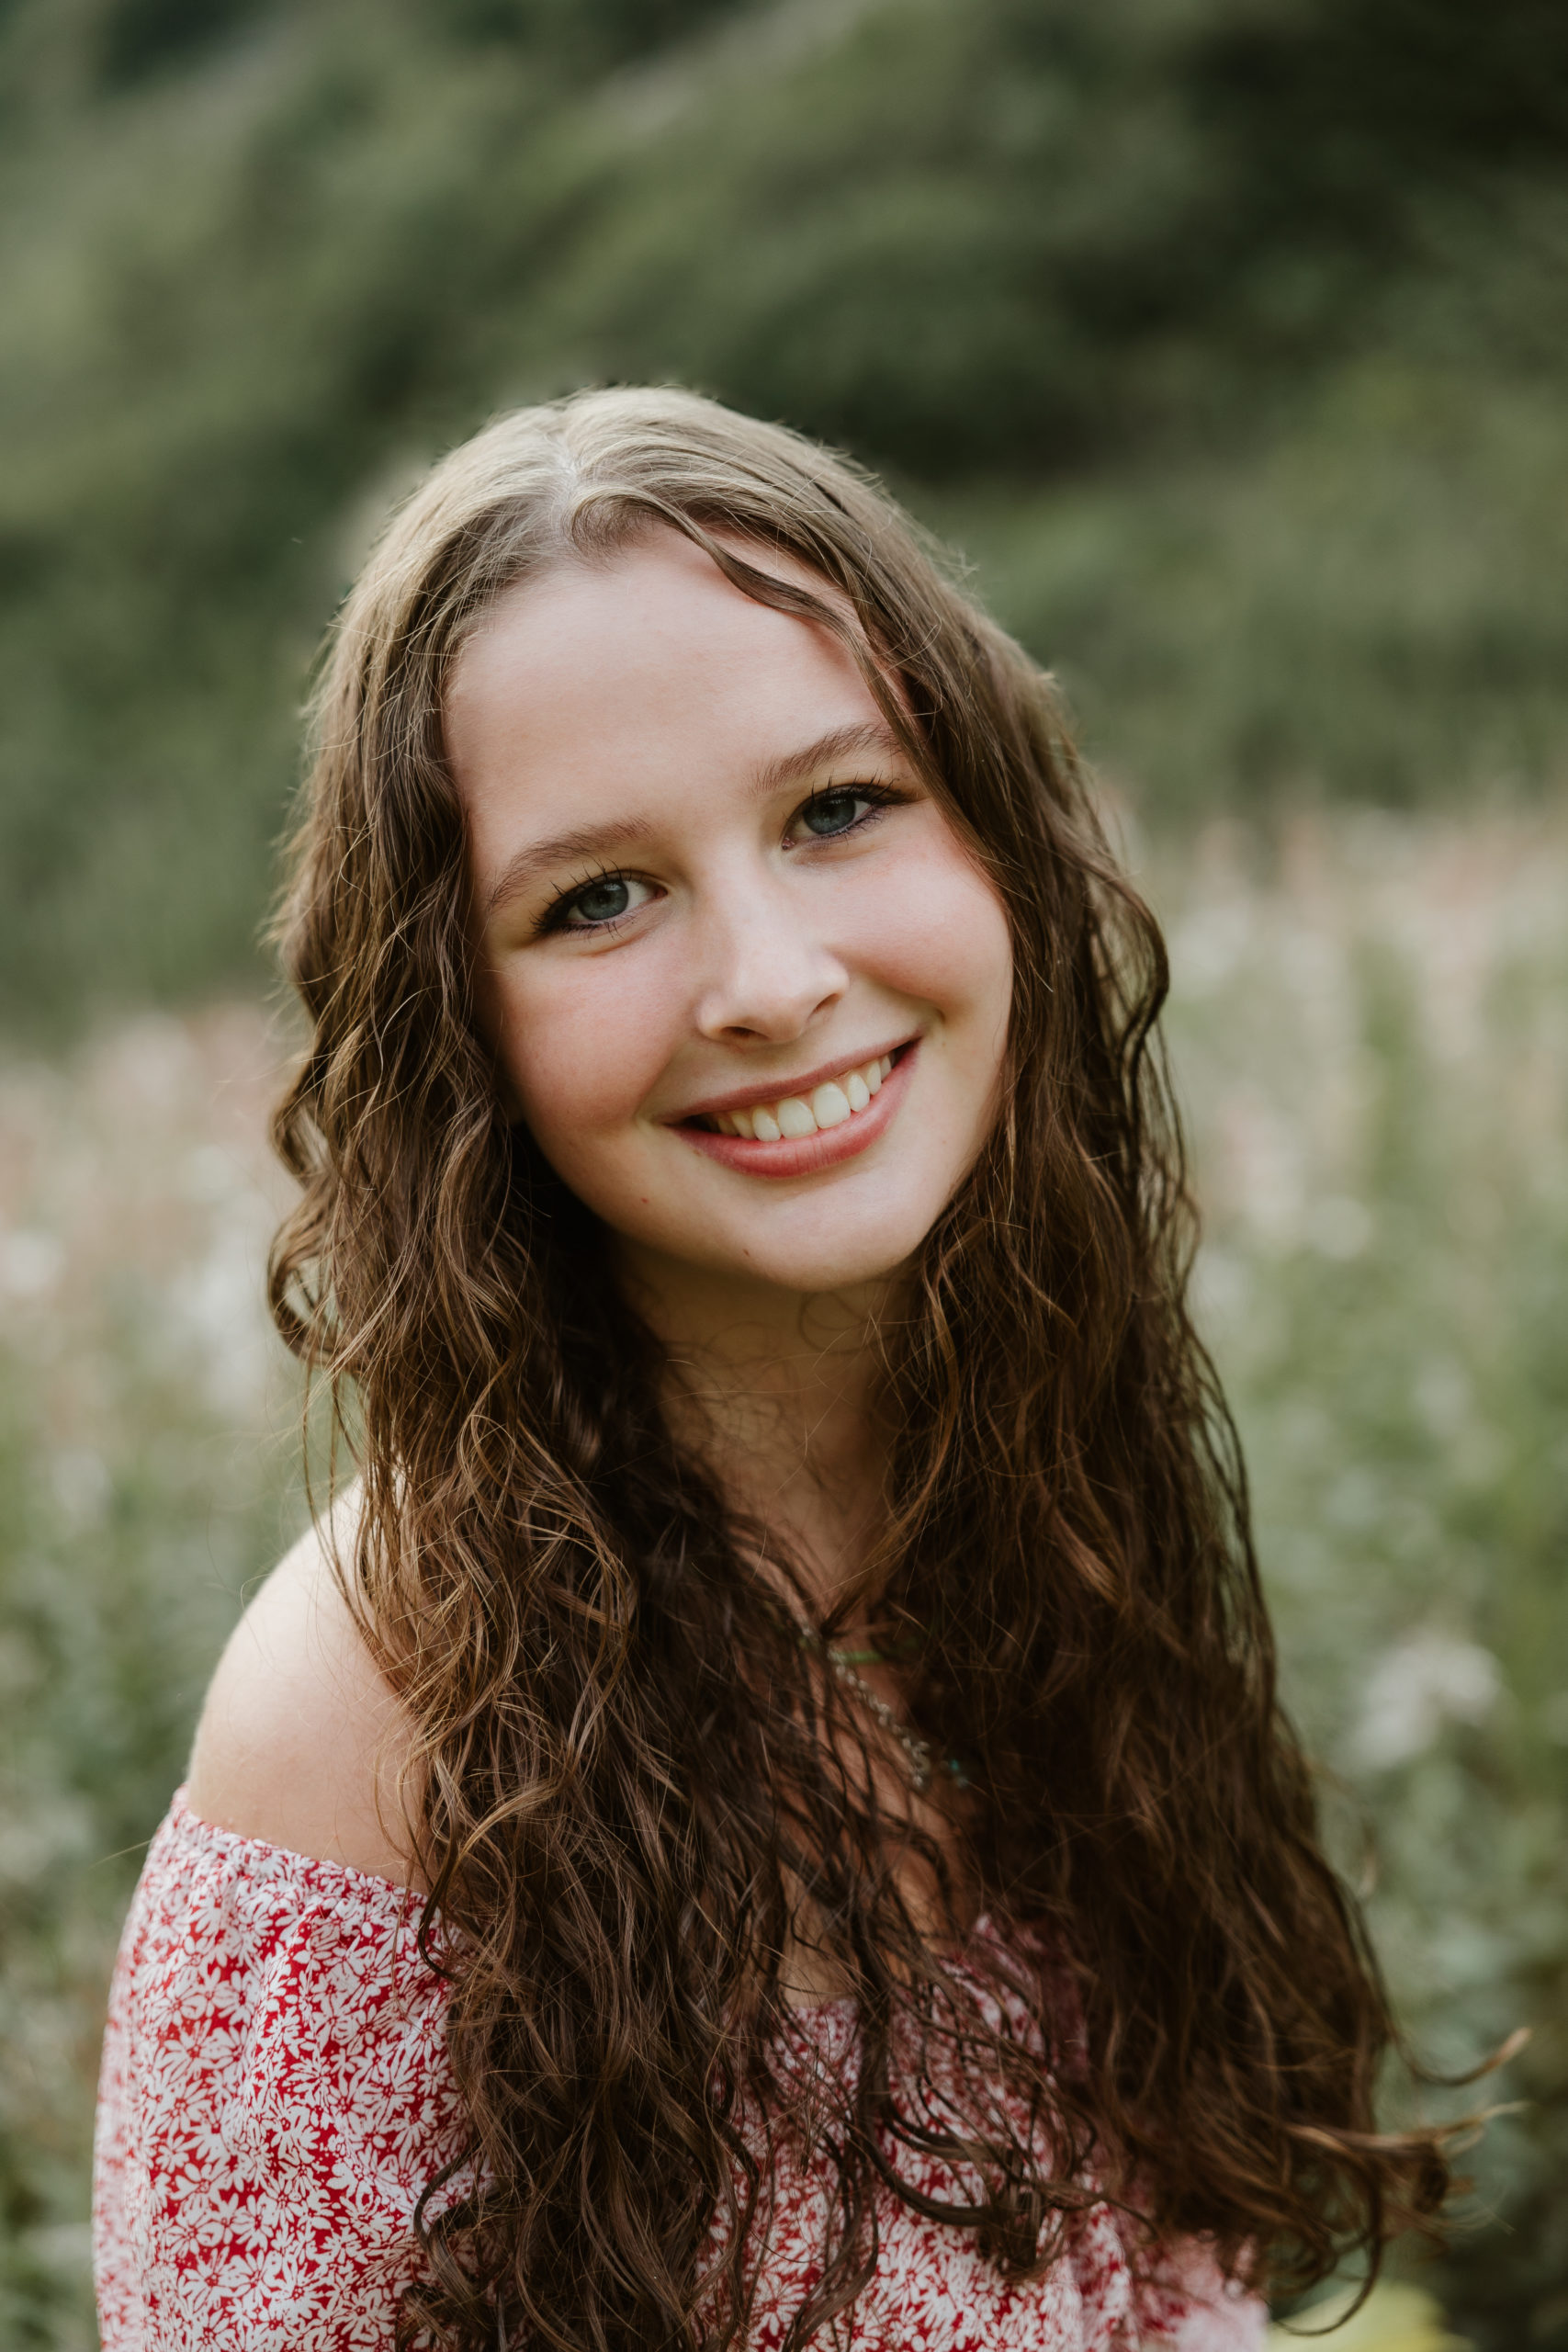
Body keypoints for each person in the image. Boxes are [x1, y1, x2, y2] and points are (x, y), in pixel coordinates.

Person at [92, 388, 1450, 2350]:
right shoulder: (366, 1733)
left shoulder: (1032, 1491)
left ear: (996, 836)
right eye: (596, 899)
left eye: (835, 807)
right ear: (454, 1027)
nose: (769, 977)